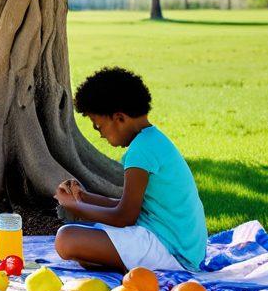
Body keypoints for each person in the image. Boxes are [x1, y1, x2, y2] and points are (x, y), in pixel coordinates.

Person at [54, 67, 207, 272]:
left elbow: (124, 216)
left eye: (98, 127)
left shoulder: (140, 152)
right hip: (173, 244)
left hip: (171, 252)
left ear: (119, 118)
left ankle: (128, 264)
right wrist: (82, 197)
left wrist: (75, 207)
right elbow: (124, 205)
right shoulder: (151, 140)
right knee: (81, 237)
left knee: (66, 238)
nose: (100, 135)